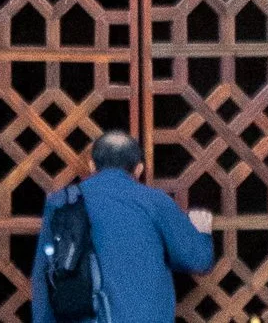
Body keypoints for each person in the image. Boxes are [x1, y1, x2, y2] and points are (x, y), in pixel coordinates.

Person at [30, 128, 217, 323]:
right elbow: (197, 260)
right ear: (139, 169)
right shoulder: (155, 202)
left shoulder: (62, 202)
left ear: (92, 165)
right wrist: (202, 232)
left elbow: (43, 276)